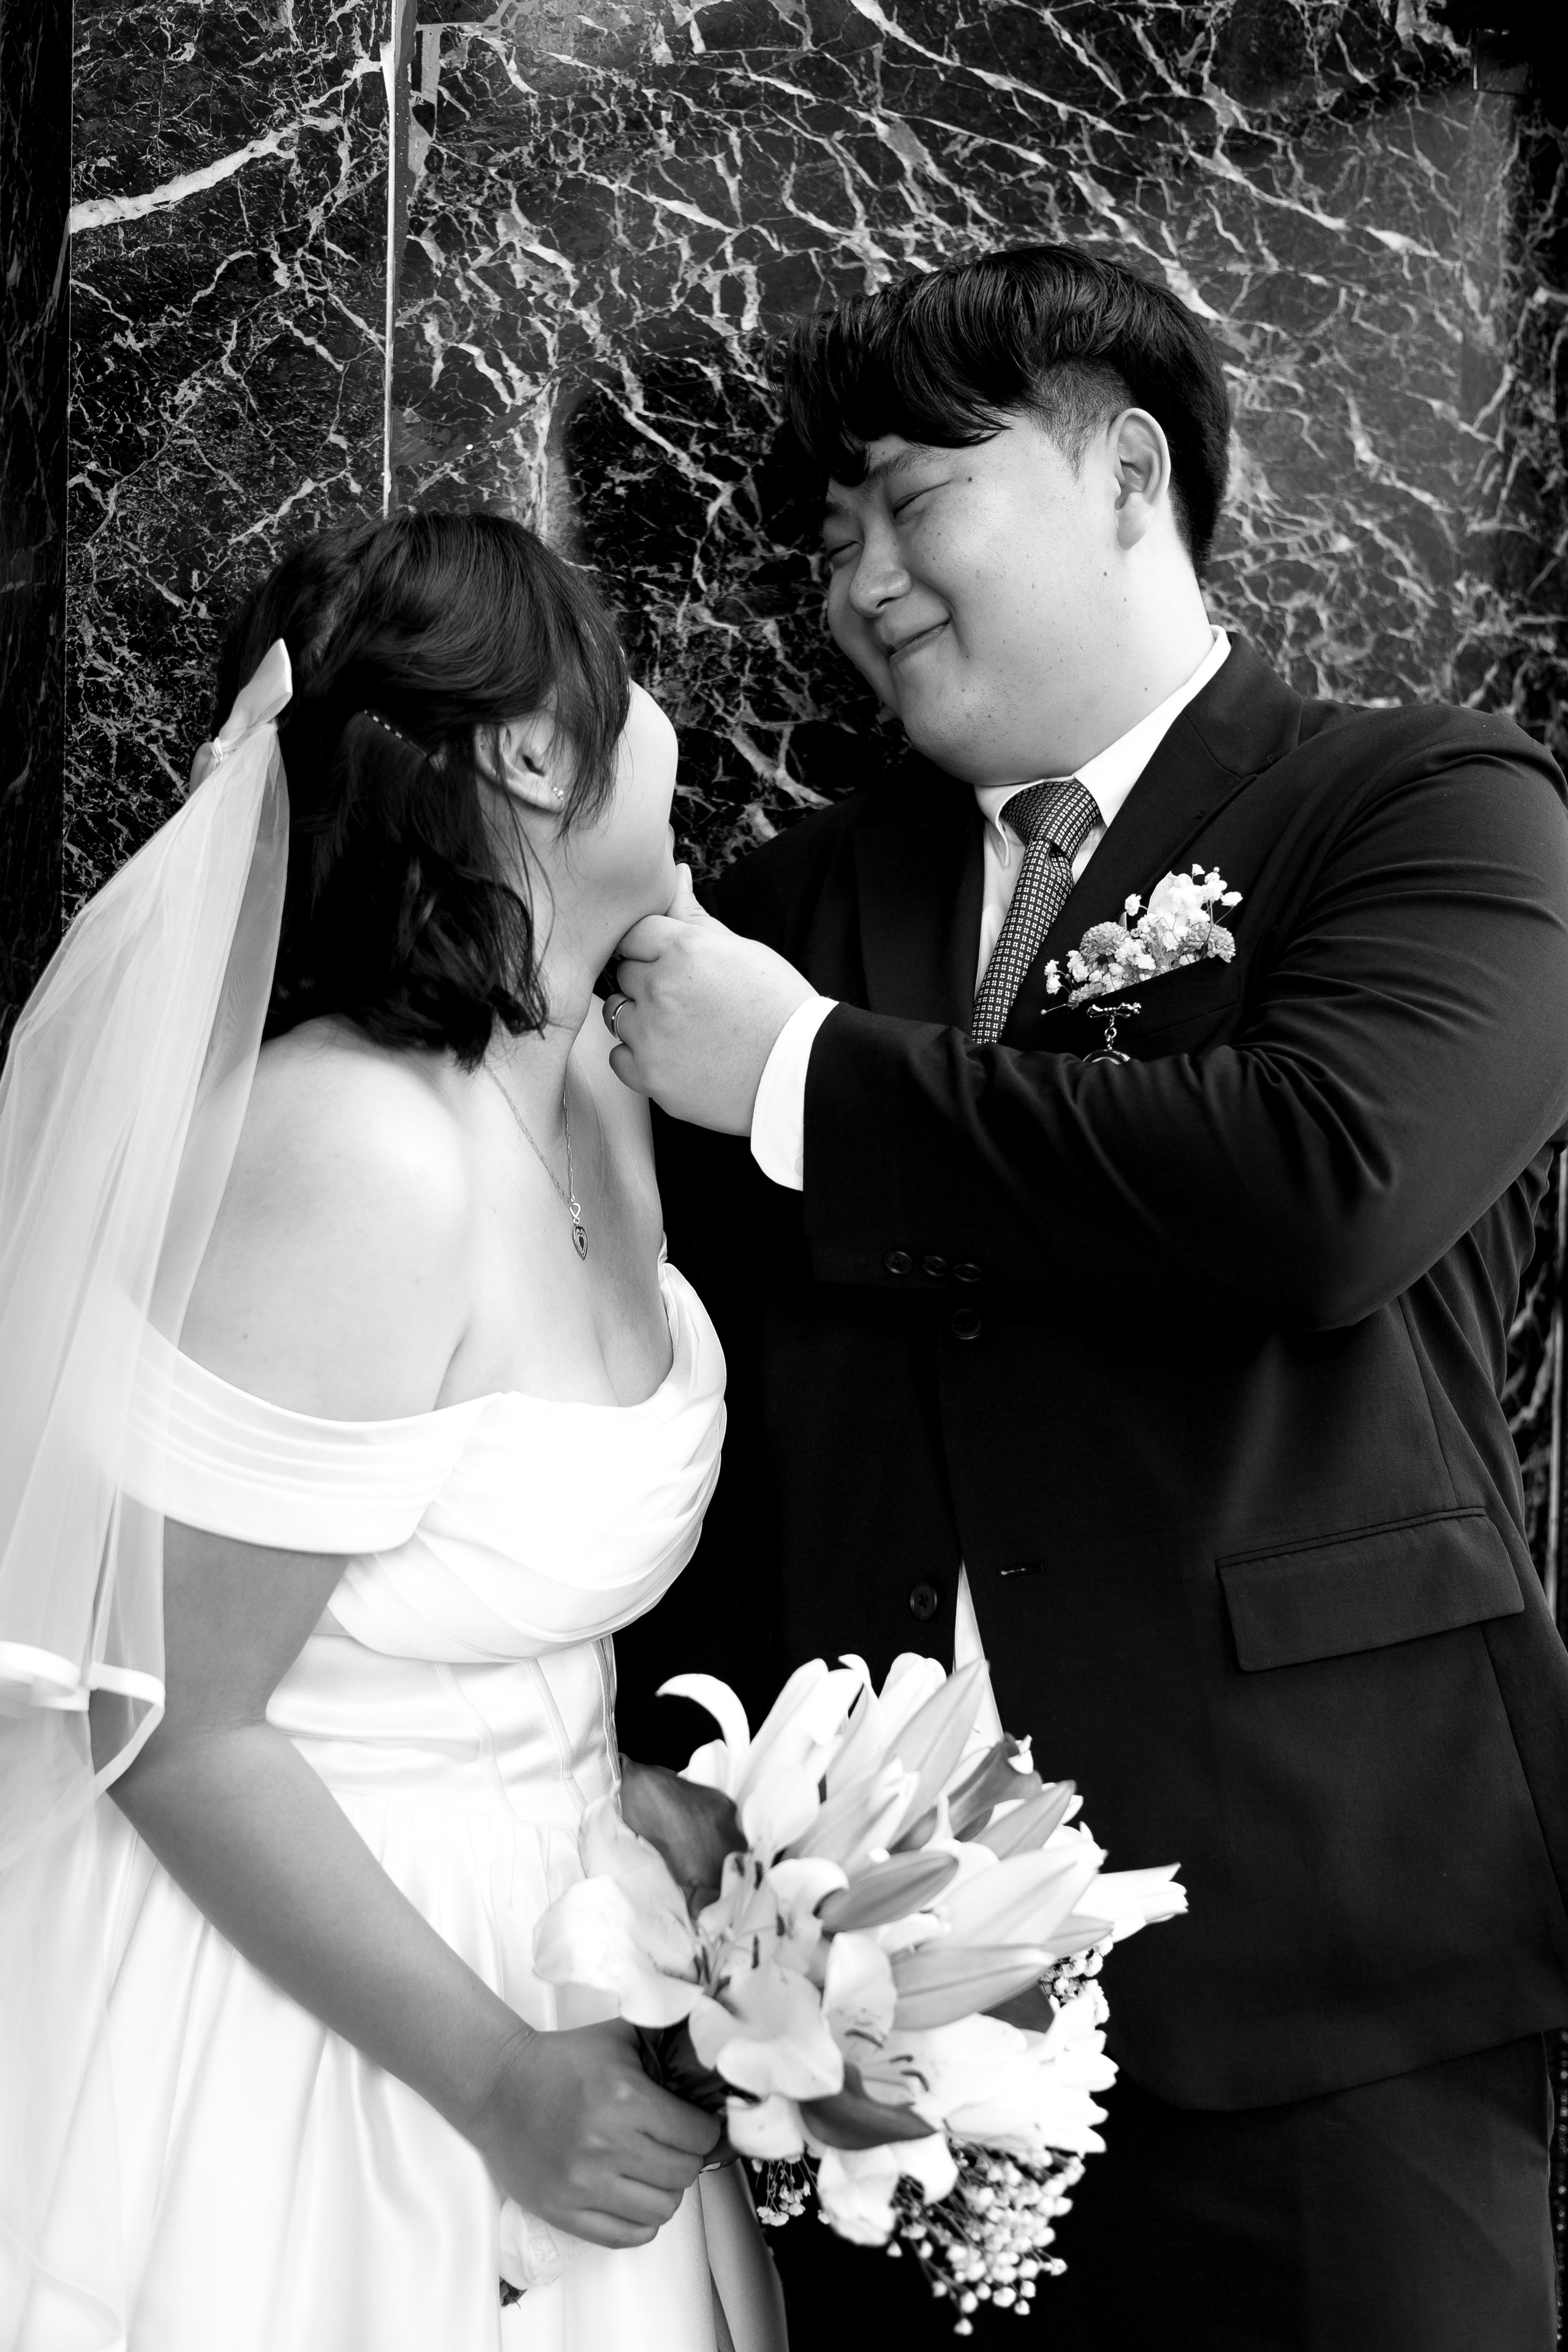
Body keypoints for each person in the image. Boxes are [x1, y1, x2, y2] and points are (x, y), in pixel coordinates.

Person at [606, 244, 1568, 2349]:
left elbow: (1328, 1186)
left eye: (912, 495)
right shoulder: (774, 912)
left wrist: (798, 1079)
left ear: (1127, 472)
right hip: (857, 2024)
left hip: (1328, 1968)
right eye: (829, 530)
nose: (861, 577)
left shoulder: (1432, 809)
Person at [0, 510, 785, 2352]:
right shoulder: (357, 1148)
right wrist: (504, 2080)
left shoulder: (595, 1083)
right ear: (533, 748)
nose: (668, 724)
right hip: (325, 2012)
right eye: (633, 682)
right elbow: (168, 1721)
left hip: (563, 1930)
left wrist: (612, 1798)